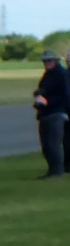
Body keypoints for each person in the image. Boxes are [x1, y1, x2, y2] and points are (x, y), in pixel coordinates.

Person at [34, 50, 69, 178]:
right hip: (45, 113)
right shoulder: (48, 74)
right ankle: (52, 169)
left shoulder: (61, 74)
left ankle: (57, 170)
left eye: (49, 60)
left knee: (53, 143)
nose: (46, 63)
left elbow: (65, 96)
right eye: (44, 61)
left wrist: (48, 101)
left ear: (55, 60)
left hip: (57, 112)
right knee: (46, 144)